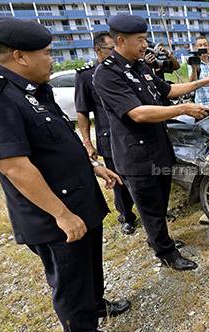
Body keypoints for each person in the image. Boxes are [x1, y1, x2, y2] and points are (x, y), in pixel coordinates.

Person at [0, 17, 130, 332]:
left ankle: (96, 305)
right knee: (69, 277)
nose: (52, 60)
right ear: (20, 56)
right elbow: (13, 166)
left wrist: (92, 166)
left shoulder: (34, 90)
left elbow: (57, 143)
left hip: (79, 197)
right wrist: (62, 215)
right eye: (47, 53)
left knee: (89, 264)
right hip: (53, 213)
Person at [93, 14, 209, 271]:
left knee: (160, 203)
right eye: (140, 40)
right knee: (150, 209)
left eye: (145, 39)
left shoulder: (140, 66)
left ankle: (161, 240)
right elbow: (138, 113)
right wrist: (183, 109)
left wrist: (203, 81)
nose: (145, 45)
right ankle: (165, 252)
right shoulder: (106, 75)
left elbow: (167, 91)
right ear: (120, 40)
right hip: (136, 157)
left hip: (159, 148)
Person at [75, 31, 139, 235]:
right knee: (119, 179)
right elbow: (82, 113)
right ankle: (126, 216)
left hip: (133, 132)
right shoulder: (86, 76)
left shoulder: (125, 69)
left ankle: (150, 213)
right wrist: (87, 143)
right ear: (98, 50)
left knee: (141, 176)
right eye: (110, 49)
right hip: (109, 137)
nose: (114, 53)